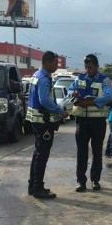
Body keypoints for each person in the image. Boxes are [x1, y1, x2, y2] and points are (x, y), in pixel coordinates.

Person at [26, 51, 69, 199]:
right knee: (42, 155)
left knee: (37, 154)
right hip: (43, 122)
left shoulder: (36, 75)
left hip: (36, 120)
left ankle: (33, 185)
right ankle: (38, 188)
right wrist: (60, 111)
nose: (56, 66)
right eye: (55, 63)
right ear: (47, 62)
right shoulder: (44, 79)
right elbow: (44, 100)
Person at [68, 54, 112, 192]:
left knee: (97, 151)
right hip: (82, 120)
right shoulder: (80, 78)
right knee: (81, 152)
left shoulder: (104, 80)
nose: (88, 69)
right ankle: (81, 181)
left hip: (98, 121)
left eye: (91, 67)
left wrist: (91, 101)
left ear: (96, 66)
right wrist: (73, 94)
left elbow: (108, 96)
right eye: (86, 67)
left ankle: (95, 180)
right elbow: (70, 90)